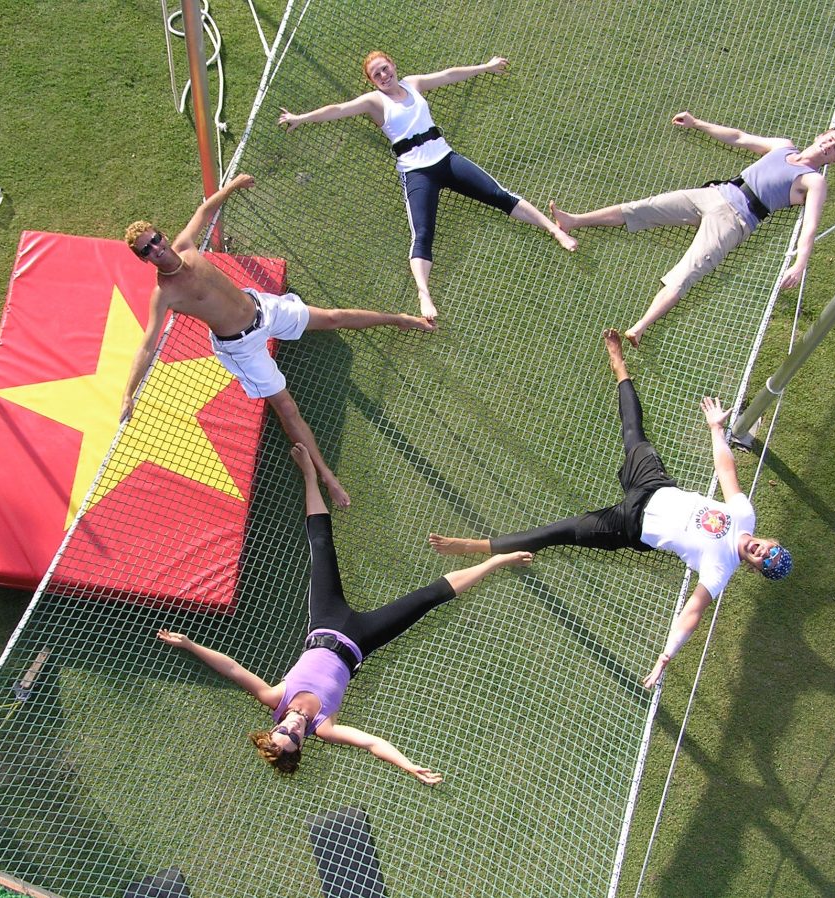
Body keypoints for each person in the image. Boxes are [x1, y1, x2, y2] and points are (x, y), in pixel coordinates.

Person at [428, 329, 793, 689]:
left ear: (755, 567)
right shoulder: (744, 516)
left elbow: (692, 614)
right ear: (769, 540)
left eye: (764, 561)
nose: (762, 552)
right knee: (634, 431)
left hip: (628, 525)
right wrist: (715, 429)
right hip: (654, 485)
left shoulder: (720, 569)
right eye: (770, 549)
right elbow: (726, 472)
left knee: (560, 531)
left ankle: (479, 546)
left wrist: (666, 654)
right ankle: (619, 363)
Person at [157, 443, 531, 783]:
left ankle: (309, 475)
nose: (293, 730)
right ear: (302, 745)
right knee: (429, 597)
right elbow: (371, 743)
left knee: (321, 546)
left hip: (325, 622)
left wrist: (190, 644)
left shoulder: (276, 698)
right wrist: (407, 765)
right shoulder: (325, 727)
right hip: (362, 640)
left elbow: (232, 668)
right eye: (295, 741)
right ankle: (497, 560)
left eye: (283, 733)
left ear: (273, 728)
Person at [123, 174, 435, 508]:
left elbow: (204, 210)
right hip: (241, 347)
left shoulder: (186, 246)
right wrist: (128, 394)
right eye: (147, 249)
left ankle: (400, 320)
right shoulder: (164, 294)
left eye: (155, 239)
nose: (156, 248)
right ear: (143, 259)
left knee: (333, 318)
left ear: (163, 234)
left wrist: (231, 187)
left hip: (263, 308)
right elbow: (147, 345)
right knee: (286, 407)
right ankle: (327, 478)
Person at [279, 51, 577, 322]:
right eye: (377, 75)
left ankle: (555, 231)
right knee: (422, 234)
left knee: (499, 195)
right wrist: (300, 118)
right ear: (372, 81)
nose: (384, 76)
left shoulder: (413, 84)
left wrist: (485, 67)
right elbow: (337, 108)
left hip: (446, 159)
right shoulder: (374, 102)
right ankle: (424, 293)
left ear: (393, 65)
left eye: (385, 69)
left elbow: (449, 74)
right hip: (417, 172)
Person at [549, 113, 835, 346]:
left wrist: (800, 262)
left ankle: (639, 328)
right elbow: (739, 137)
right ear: (821, 135)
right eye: (830, 139)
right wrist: (697, 123)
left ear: (834, 160)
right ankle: (574, 220)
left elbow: (810, 224)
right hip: (714, 194)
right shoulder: (783, 146)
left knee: (687, 272)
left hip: (735, 221)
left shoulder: (814, 181)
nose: (829, 146)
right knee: (643, 207)